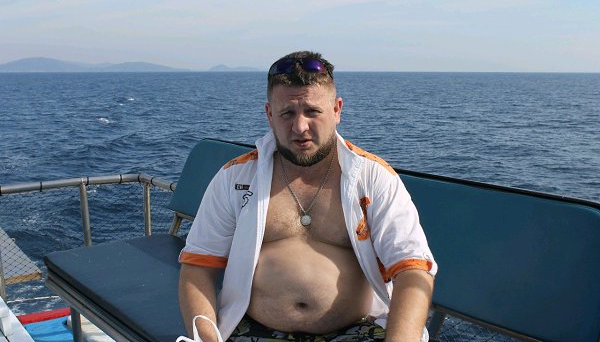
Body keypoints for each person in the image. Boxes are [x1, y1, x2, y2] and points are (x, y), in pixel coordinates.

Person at [178, 51, 437, 342]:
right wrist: (207, 339)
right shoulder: (235, 179)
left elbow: (413, 270)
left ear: (336, 110)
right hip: (252, 330)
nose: (300, 127)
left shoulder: (373, 179)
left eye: (312, 111)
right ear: (269, 114)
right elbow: (197, 267)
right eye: (287, 113)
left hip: (358, 331)